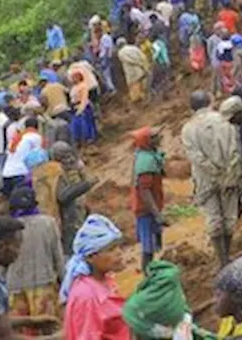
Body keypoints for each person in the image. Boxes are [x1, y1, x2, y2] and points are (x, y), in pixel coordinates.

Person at [180, 90, 242, 268]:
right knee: (229, 217)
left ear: (192, 107)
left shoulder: (188, 129)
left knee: (214, 219)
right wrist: (229, 172)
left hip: (205, 179)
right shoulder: (224, 121)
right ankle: (229, 253)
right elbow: (235, 149)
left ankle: (222, 259)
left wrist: (212, 170)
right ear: (210, 101)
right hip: (229, 176)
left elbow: (195, 157)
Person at [4, 186, 64, 331]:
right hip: (43, 285)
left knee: (22, 332)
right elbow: (58, 256)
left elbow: (0, 265)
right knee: (48, 329)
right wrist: (64, 282)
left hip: (15, 288)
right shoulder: (48, 223)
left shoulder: (6, 228)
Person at [61, 215, 129, 340]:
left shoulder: (105, 280)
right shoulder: (87, 296)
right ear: (90, 257)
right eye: (111, 249)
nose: (119, 253)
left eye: (118, 247)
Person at [129, 126, 165, 273]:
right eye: (155, 136)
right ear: (147, 141)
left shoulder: (147, 155)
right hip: (146, 210)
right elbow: (145, 191)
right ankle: (147, 275)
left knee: (151, 244)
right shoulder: (145, 162)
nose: (160, 138)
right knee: (148, 247)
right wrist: (157, 214)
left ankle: (149, 272)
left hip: (148, 208)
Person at [49, 142, 93, 255]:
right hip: (79, 200)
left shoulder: (58, 169)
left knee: (72, 229)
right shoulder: (77, 164)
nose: (68, 160)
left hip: (73, 202)